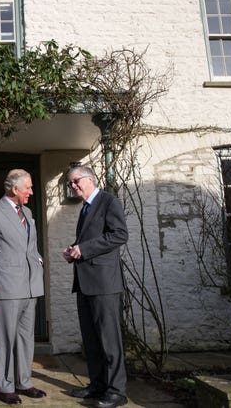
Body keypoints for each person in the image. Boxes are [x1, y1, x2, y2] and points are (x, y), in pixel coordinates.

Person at [0, 169, 46, 405]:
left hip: (30, 285)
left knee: (26, 337)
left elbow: (31, 246)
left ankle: (24, 382)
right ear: (15, 189)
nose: (31, 192)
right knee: (5, 338)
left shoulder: (27, 212)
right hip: (6, 286)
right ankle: (5, 386)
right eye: (28, 187)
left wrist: (38, 260)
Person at [62, 165, 129, 408]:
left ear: (90, 178)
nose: (73, 186)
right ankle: (98, 385)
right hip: (85, 283)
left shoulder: (107, 201)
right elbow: (90, 240)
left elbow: (120, 234)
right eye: (70, 184)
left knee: (109, 340)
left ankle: (117, 391)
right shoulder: (85, 208)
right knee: (91, 340)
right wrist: (74, 249)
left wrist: (85, 249)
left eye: (76, 181)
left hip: (104, 284)